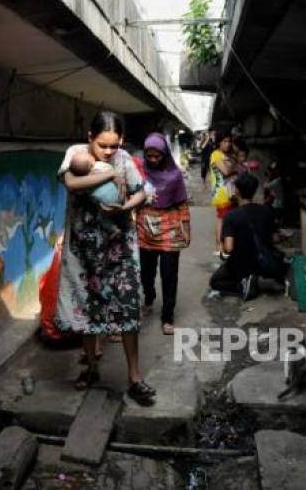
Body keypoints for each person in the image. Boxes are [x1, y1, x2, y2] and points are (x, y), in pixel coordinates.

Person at [55, 111, 156, 405]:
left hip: (120, 247)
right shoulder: (75, 153)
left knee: (128, 311)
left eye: (114, 145)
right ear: (89, 137)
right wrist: (109, 173)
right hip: (84, 251)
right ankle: (92, 368)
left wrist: (126, 208)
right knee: (86, 310)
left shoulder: (125, 159)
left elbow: (143, 192)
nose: (109, 151)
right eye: (102, 145)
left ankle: (134, 377)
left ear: (121, 141)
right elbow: (72, 184)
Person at [136, 133, 191, 336]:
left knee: (169, 275)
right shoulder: (139, 171)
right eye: (149, 155)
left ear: (165, 154)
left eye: (156, 156)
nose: (152, 160)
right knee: (146, 273)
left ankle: (168, 316)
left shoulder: (175, 175)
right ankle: (149, 297)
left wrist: (186, 228)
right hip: (144, 228)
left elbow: (182, 203)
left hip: (170, 230)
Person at [210, 174, 280, 300]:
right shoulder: (266, 211)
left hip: (240, 264)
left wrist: (222, 250)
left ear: (237, 191)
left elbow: (229, 248)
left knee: (215, 282)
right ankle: (250, 280)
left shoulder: (231, 216)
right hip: (262, 260)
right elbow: (275, 239)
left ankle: (243, 285)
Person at [68, 151, 124, 239]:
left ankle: (114, 229)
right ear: (91, 163)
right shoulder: (99, 166)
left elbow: (79, 193)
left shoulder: (82, 182)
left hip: (104, 205)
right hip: (119, 195)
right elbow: (112, 171)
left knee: (102, 218)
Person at [209, 130, 237, 256]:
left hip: (228, 191)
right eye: (224, 141)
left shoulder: (226, 155)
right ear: (219, 143)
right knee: (222, 219)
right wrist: (236, 167)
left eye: (229, 141)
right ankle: (219, 246)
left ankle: (223, 246)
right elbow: (225, 171)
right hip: (222, 192)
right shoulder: (216, 154)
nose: (228, 144)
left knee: (225, 219)